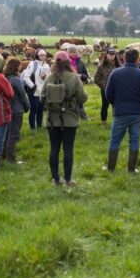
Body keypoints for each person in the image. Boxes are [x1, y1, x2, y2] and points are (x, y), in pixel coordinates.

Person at [42, 51, 88, 186]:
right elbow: (82, 98)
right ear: (68, 62)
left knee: (54, 149)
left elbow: (41, 98)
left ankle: (55, 179)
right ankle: (68, 180)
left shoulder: (48, 78)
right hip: (70, 120)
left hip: (51, 120)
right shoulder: (74, 78)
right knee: (68, 149)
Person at [105, 48, 140, 173]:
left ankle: (111, 168)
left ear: (124, 58)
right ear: (137, 59)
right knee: (134, 141)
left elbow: (108, 93)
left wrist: (115, 104)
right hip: (136, 113)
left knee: (114, 140)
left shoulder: (115, 73)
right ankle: (131, 169)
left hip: (120, 112)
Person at [4, 57, 30, 163]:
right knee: (14, 135)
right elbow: (22, 94)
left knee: (6, 134)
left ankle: (4, 155)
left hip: (7, 109)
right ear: (16, 67)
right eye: (19, 65)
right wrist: (27, 106)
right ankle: (12, 158)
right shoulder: (15, 79)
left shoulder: (5, 78)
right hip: (17, 110)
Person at [21, 48, 50, 131]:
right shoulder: (33, 64)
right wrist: (32, 86)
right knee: (34, 110)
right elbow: (26, 77)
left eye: (44, 55)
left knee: (41, 110)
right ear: (37, 55)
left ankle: (39, 126)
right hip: (34, 92)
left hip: (43, 92)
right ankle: (32, 128)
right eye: (41, 55)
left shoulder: (46, 65)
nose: (43, 57)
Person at [93, 48, 121, 127]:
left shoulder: (119, 66)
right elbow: (96, 79)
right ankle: (103, 122)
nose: (112, 56)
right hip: (105, 90)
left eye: (113, 54)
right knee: (105, 106)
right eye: (110, 54)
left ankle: (116, 122)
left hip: (117, 90)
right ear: (106, 55)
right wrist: (104, 86)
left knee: (116, 106)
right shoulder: (101, 66)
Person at [67, 45, 90, 120]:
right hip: (67, 86)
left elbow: (86, 75)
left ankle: (84, 117)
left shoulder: (81, 62)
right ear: (68, 52)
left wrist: (81, 76)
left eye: (74, 52)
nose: (72, 54)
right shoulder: (65, 62)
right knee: (68, 103)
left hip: (78, 85)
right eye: (71, 52)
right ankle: (70, 118)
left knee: (80, 102)